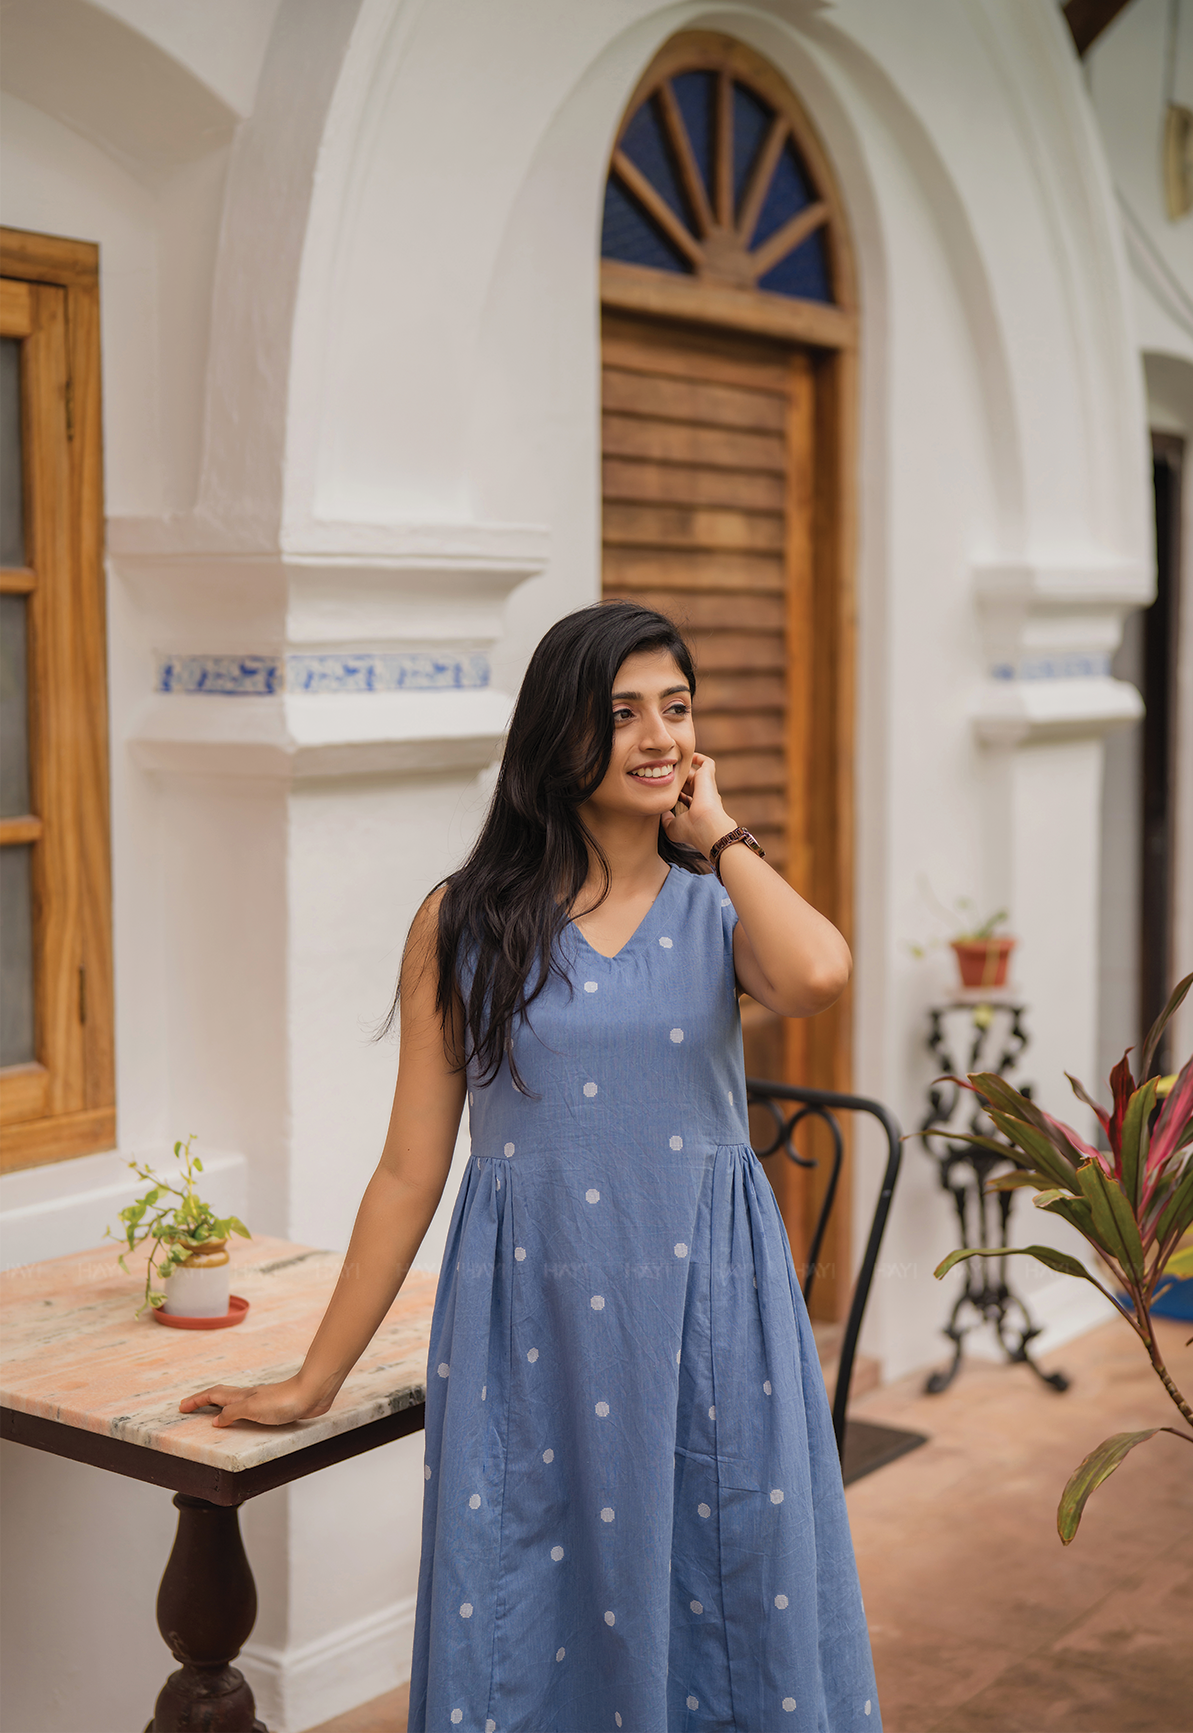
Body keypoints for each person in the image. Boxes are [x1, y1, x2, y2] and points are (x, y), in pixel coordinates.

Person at [181, 601, 881, 1732]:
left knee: (727, 1586)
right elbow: (409, 1170)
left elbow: (818, 976)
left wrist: (721, 833)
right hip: (532, 1322)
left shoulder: (717, 909)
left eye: (676, 709)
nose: (659, 736)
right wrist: (315, 1380)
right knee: (528, 1596)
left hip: (709, 1312)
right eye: (623, 712)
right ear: (560, 734)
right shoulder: (464, 921)